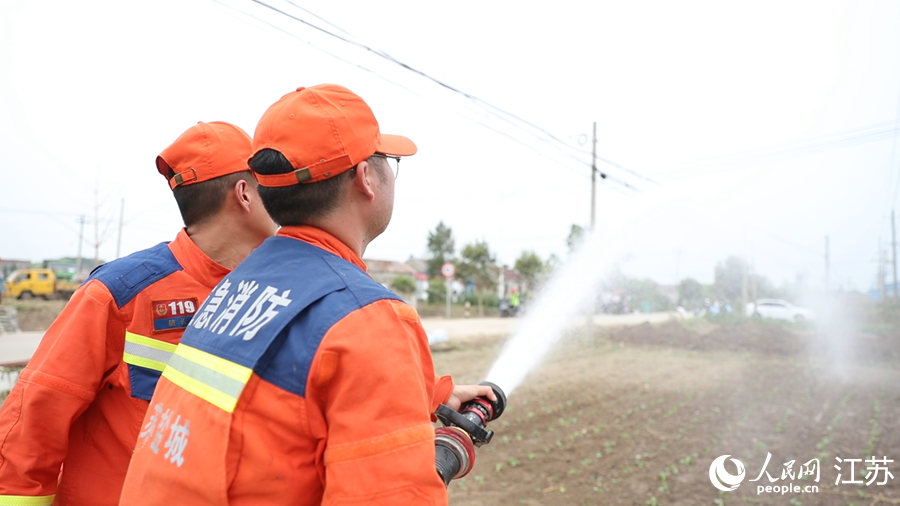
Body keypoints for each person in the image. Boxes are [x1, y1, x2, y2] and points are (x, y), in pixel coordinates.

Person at [119, 84, 494, 505]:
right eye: (387, 160)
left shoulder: (235, 286)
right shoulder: (368, 320)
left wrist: (427, 398)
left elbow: (282, 402)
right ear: (365, 178)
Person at [0, 121, 277, 506]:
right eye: (272, 185)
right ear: (245, 193)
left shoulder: (272, 293)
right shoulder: (121, 293)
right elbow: (35, 419)